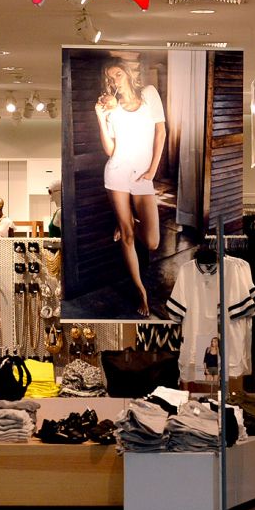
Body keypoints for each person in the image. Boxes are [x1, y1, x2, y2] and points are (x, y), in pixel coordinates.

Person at [94, 57, 166, 318]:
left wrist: (152, 170)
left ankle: (127, 220)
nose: (114, 80)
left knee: (152, 242)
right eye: (110, 77)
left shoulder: (149, 94)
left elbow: (161, 133)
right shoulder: (110, 108)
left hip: (143, 175)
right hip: (117, 173)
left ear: (127, 73)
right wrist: (100, 118)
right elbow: (109, 149)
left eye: (118, 74)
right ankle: (141, 291)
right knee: (127, 236)